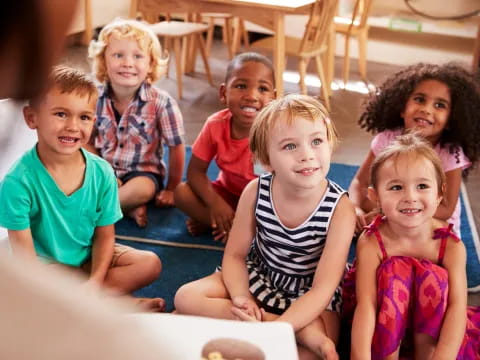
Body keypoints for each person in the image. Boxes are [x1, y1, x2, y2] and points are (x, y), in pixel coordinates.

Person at [174, 94, 356, 359]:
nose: (307, 155)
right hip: (260, 274)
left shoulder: (341, 209)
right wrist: (241, 298)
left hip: (309, 292)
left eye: (316, 141)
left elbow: (323, 289)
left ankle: (262, 330)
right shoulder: (256, 190)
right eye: (290, 146)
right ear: (267, 160)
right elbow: (235, 256)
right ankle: (274, 328)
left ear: (330, 145)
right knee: (185, 297)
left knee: (315, 354)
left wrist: (281, 327)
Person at [0, 65, 164, 311]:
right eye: (61, 114)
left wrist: (96, 281)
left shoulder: (102, 173)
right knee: (38, 290)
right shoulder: (17, 182)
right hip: (39, 267)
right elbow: (27, 263)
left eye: (84, 117)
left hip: (84, 258)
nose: (73, 126)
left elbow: (105, 235)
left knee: (150, 263)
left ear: (93, 122)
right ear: (31, 118)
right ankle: (116, 304)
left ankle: (88, 301)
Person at [344, 133, 480, 359]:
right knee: (394, 271)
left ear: (439, 194)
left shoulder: (451, 246)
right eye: (396, 187)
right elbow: (366, 307)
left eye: (422, 186)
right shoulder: (371, 242)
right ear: (374, 195)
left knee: (435, 277)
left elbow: (457, 307)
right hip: (382, 323)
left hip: (428, 327)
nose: (410, 197)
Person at [348, 63, 480, 236]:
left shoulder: (450, 153)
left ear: (451, 120)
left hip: (431, 221)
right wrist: (356, 208)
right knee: (350, 216)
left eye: (440, 105)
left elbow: (446, 209)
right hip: (392, 209)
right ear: (402, 108)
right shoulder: (387, 138)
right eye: (419, 99)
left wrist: (392, 213)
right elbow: (360, 182)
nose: (426, 109)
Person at [88, 18, 185, 227]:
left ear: (150, 64)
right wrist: (103, 171)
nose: (128, 63)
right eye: (118, 55)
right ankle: (127, 208)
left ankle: (92, 216)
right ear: (104, 61)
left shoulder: (162, 103)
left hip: (143, 173)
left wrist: (171, 188)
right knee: (69, 174)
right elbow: (87, 141)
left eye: (138, 56)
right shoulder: (93, 98)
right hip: (104, 169)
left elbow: (176, 147)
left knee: (144, 190)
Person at [174, 52, 276, 243]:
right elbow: (195, 172)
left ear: (274, 98)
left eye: (263, 89)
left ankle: (230, 228)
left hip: (265, 202)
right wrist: (215, 204)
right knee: (181, 193)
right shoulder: (215, 125)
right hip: (227, 194)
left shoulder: (276, 133)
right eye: (241, 86)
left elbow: (284, 189)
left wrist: (251, 216)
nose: (252, 96)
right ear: (223, 93)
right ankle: (230, 226)